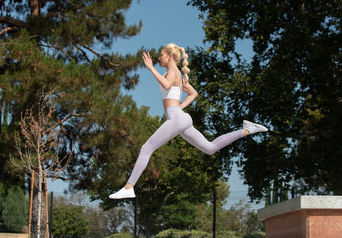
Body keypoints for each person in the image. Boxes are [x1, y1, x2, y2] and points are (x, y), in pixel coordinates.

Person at [109, 43, 268, 199]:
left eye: (162, 55)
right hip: (180, 117)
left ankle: (129, 187)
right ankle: (246, 130)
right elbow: (193, 93)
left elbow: (166, 84)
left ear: (170, 57)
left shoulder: (173, 70)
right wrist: (178, 108)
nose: (159, 58)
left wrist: (150, 67)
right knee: (210, 148)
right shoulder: (173, 73)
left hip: (177, 117)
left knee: (146, 148)